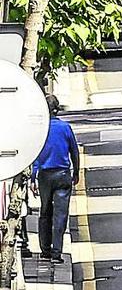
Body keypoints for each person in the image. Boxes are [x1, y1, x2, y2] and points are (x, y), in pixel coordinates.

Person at [29, 94, 79, 264]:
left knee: (45, 212)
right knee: (60, 215)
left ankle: (45, 250)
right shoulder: (65, 128)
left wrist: (33, 177)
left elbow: (36, 154)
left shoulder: (40, 129)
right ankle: (56, 253)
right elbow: (74, 151)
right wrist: (76, 172)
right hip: (63, 174)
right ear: (57, 110)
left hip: (44, 175)